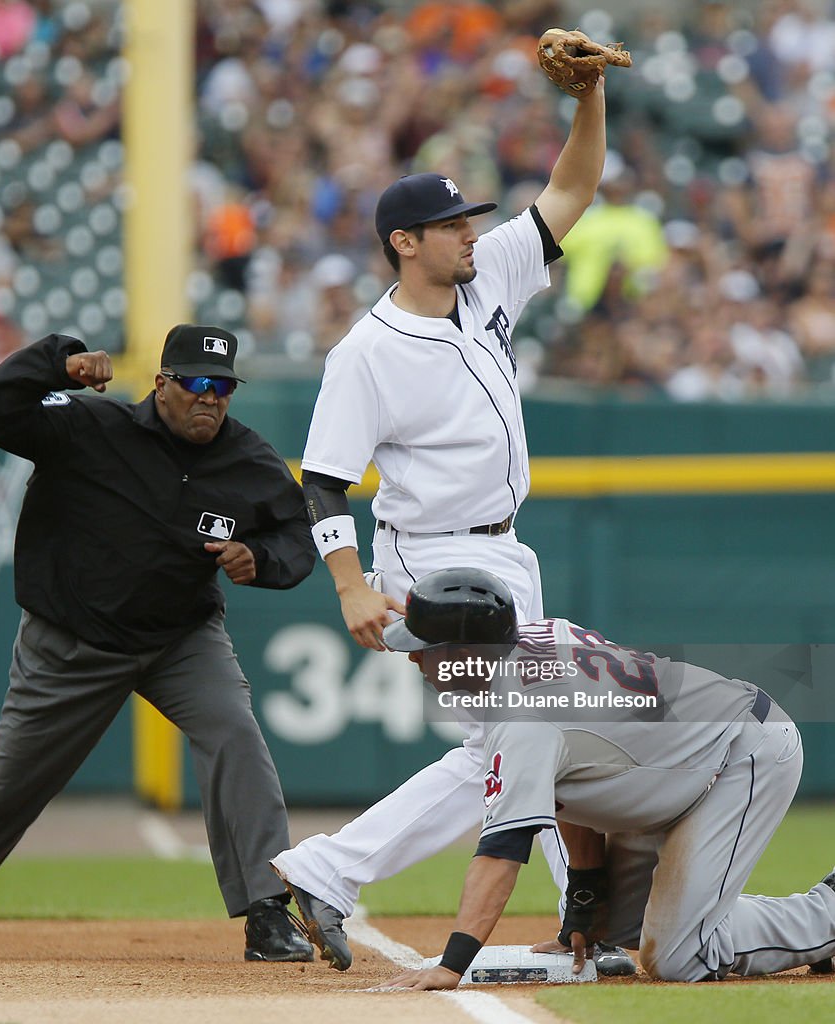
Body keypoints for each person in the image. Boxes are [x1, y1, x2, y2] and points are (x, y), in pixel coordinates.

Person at [272, 78, 635, 975]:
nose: (474, 231)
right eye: (453, 224)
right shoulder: (367, 352)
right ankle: (584, 923)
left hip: (505, 550)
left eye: (473, 220)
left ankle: (340, 870)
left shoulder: (491, 281)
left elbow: (572, 190)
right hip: (434, 566)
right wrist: (351, 584)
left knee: (520, 738)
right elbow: (322, 481)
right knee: (521, 739)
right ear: (406, 243)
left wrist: (589, 99)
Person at [0, 325, 315, 964]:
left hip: (179, 639)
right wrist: (56, 361)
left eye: (223, 387)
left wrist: (263, 557)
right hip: (71, 642)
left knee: (235, 737)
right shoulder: (89, 427)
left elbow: (296, 539)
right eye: (197, 383)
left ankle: (265, 912)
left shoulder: (249, 461)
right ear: (162, 383)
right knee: (9, 787)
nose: (211, 398)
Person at [377, 567, 835, 988]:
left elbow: (501, 853)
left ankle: (826, 917)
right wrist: (585, 891)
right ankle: (781, 919)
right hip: (672, 768)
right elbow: (574, 773)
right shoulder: (539, 638)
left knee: (681, 958)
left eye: (424, 648)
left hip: (740, 751)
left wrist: (452, 964)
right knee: (613, 923)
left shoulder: (522, 720)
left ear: (465, 652)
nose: (415, 660)